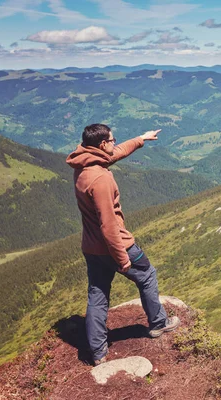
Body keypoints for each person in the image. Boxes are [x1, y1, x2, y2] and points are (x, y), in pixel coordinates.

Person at [66, 123, 179, 366]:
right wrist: (122, 259)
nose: (115, 144)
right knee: (147, 275)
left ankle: (98, 352)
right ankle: (158, 323)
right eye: (112, 140)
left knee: (97, 295)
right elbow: (109, 226)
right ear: (103, 144)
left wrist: (141, 138)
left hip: (91, 247)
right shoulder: (101, 180)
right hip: (116, 245)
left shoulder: (85, 164)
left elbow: (115, 154)